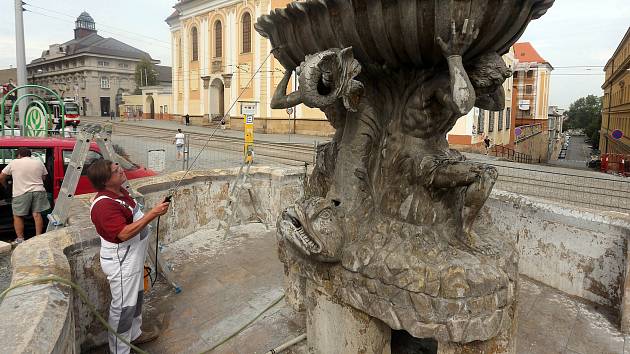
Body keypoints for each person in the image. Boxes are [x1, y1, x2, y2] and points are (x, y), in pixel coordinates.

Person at [87, 159, 170, 353]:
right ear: (106, 181)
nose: (121, 171)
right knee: (124, 307)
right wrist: (153, 214)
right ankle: (119, 350)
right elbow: (123, 233)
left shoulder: (119, 192)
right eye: (116, 171)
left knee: (136, 298)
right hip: (122, 262)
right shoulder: (103, 206)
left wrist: (154, 211)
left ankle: (134, 334)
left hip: (132, 259)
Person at [0, 147, 50, 244]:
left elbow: (1, 176)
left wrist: (5, 185)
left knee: (18, 215)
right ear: (29, 155)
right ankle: (38, 238)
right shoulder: (39, 162)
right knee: (37, 214)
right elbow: (44, 177)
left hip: (21, 192)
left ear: (19, 155)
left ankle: (20, 239)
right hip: (38, 191)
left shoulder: (14, 162)